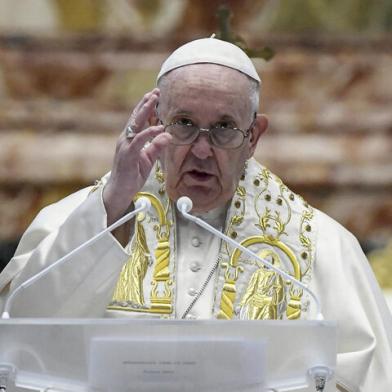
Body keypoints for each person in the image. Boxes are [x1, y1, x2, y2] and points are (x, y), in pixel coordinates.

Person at [0, 38, 391, 391]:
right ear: (155, 123)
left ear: (253, 137)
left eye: (224, 127)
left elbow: (365, 376)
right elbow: (21, 338)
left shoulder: (321, 246)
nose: (202, 150)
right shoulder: (85, 218)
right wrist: (112, 208)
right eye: (184, 124)